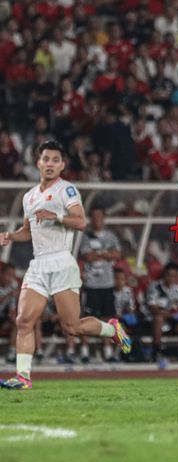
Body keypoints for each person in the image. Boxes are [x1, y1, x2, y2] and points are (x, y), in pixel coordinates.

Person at [0, 140, 131, 390]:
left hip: (61, 261)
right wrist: (10, 236)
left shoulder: (66, 190)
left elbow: (81, 221)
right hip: (38, 264)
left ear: (62, 165)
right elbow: (28, 231)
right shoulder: (29, 196)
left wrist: (56, 215)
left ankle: (111, 329)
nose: (49, 164)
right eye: (45, 159)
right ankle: (23, 377)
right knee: (23, 321)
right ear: (38, 163)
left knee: (72, 327)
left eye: (55, 160)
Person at [79, 206, 122, 363]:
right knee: (88, 317)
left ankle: (107, 350)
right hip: (91, 284)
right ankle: (84, 351)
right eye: (94, 216)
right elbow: (87, 256)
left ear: (104, 218)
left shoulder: (111, 236)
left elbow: (117, 254)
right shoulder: (86, 236)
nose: (97, 219)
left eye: (100, 216)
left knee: (108, 317)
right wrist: (105, 254)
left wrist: (100, 254)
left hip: (107, 283)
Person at [146, 262, 178, 362]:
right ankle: (156, 349)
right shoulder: (155, 287)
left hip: (172, 317)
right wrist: (171, 315)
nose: (172, 278)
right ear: (164, 275)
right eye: (169, 275)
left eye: (174, 276)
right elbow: (153, 308)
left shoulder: (176, 288)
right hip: (156, 317)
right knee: (159, 318)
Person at [0, 263, 19, 363]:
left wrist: (12, 315)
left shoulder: (13, 285)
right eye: (8, 275)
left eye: (12, 275)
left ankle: (12, 353)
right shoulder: (10, 289)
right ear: (1, 274)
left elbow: (12, 306)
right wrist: (9, 294)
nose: (10, 278)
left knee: (16, 323)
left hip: (3, 315)